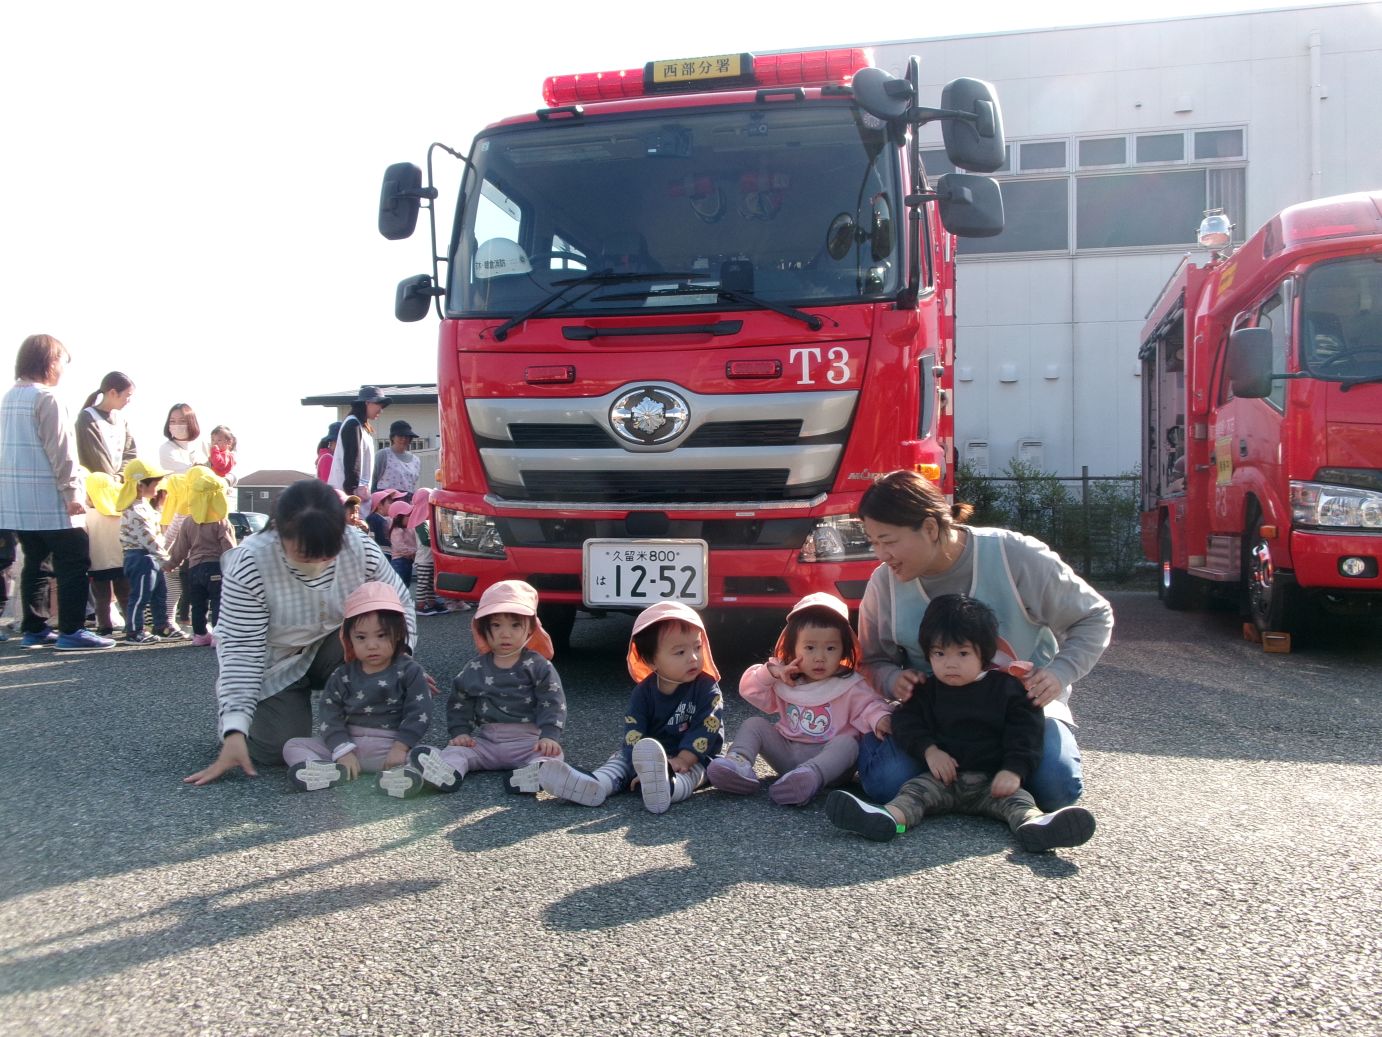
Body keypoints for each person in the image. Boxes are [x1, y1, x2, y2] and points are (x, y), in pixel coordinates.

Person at [854, 470, 1113, 812]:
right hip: (935, 717)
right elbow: (872, 659)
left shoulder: (1013, 555)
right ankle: (980, 787)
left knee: (1057, 788)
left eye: (888, 541)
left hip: (1019, 710)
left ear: (930, 528)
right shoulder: (884, 583)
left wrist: (1059, 673)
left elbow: (1094, 615)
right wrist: (892, 679)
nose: (881, 554)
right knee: (886, 781)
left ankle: (960, 787)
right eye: (873, 542)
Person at [183, 478, 416, 786]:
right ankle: (255, 728)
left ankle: (361, 731)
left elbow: (398, 605)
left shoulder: (359, 546)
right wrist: (235, 729)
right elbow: (242, 651)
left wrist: (401, 660)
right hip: (278, 661)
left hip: (339, 645)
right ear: (279, 532)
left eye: (328, 554)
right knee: (276, 749)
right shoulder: (251, 564)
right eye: (307, 555)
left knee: (375, 649)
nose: (319, 564)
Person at [826, 594, 1097, 852]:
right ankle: (887, 820)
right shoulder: (926, 690)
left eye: (963, 654)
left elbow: (1025, 732)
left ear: (985, 654)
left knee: (1019, 803)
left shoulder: (1007, 689)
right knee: (912, 795)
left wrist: (1014, 771)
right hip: (941, 780)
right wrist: (929, 751)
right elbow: (906, 722)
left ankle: (1035, 827)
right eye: (940, 654)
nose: (950, 664)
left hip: (993, 781)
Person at [537, 601, 723, 814]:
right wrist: (639, 764)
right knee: (620, 761)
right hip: (649, 756)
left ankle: (669, 788)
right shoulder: (643, 691)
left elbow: (706, 728)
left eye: (697, 647)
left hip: (693, 755)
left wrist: (683, 759)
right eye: (680, 652)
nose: (693, 657)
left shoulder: (706, 688)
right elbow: (634, 729)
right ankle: (595, 784)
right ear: (651, 661)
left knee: (695, 773)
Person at [707, 592, 892, 806]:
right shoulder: (786, 676)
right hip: (787, 753)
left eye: (830, 648)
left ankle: (809, 778)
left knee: (848, 743)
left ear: (844, 650)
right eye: (810, 648)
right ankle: (738, 763)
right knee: (754, 724)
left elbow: (870, 705)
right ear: (792, 648)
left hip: (830, 765)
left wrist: (880, 718)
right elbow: (749, 689)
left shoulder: (850, 683)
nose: (819, 657)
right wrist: (772, 672)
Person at [0, 334, 114, 651]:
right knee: (74, 559)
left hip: (17, 501)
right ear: (50, 362)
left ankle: (34, 628)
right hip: (50, 497)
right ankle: (72, 630)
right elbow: (62, 451)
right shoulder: (47, 397)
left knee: (36, 561)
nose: (63, 370)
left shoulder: (9, 397)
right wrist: (72, 492)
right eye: (62, 363)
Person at [409, 580, 566, 795]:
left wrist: (549, 735)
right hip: (487, 742)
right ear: (483, 629)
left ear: (530, 629)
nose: (505, 633)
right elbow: (460, 701)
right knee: (457, 751)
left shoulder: (539, 665)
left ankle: (532, 774)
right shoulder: (475, 667)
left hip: (529, 742)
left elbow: (552, 700)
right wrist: (461, 732)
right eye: (496, 625)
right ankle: (447, 772)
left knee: (552, 755)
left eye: (515, 625)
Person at [281, 581, 432, 797]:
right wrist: (341, 749)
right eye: (361, 637)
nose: (371, 645)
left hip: (390, 748)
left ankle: (401, 777)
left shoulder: (410, 670)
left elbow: (419, 712)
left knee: (428, 755)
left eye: (381, 635)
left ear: (399, 633)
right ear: (348, 639)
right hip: (348, 746)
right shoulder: (342, 674)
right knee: (292, 745)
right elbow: (329, 714)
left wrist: (401, 747)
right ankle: (326, 771)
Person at [165, 466, 236, 646]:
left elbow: (180, 547)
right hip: (215, 567)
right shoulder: (221, 522)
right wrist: (236, 567)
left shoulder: (189, 521)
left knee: (198, 603)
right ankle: (219, 635)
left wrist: (172, 563)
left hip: (193, 568)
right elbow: (229, 548)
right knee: (219, 601)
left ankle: (200, 634)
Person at [158, 403, 208, 634]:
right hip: (175, 513)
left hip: (201, 515)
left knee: (197, 568)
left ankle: (193, 620)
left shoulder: (202, 445)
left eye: (181, 421)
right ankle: (167, 619)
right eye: (172, 421)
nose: (176, 425)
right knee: (172, 568)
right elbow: (194, 474)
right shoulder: (166, 449)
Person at [118, 458, 171, 645]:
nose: (158, 488)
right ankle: (134, 631)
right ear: (140, 485)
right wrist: (167, 559)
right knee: (140, 595)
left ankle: (161, 626)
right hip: (140, 557)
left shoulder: (144, 506)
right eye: (155, 484)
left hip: (150, 557)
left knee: (159, 593)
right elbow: (149, 539)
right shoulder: (135, 511)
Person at [327, 385, 389, 511]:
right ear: (367, 403)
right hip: (347, 498)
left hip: (355, 497)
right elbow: (352, 460)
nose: (381, 410)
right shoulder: (353, 424)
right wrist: (352, 492)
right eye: (379, 404)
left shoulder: (362, 426)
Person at [75, 371, 137, 476]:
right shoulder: (88, 417)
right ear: (113, 393)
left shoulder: (121, 420)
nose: (129, 401)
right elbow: (96, 456)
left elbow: (130, 453)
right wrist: (111, 481)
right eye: (128, 396)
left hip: (119, 482)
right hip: (96, 482)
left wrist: (121, 476)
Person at [371, 418, 420, 498]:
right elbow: (373, 480)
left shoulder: (416, 460)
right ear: (392, 437)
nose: (404, 439)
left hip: (407, 501)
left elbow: (413, 484)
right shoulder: (383, 455)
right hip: (386, 500)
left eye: (407, 436)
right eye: (400, 436)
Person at [386, 499, 416, 587]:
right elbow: (401, 548)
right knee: (399, 586)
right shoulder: (397, 531)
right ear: (399, 517)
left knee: (406, 585)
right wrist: (415, 551)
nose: (410, 517)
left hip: (408, 561)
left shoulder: (410, 528)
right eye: (408, 515)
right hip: (399, 562)